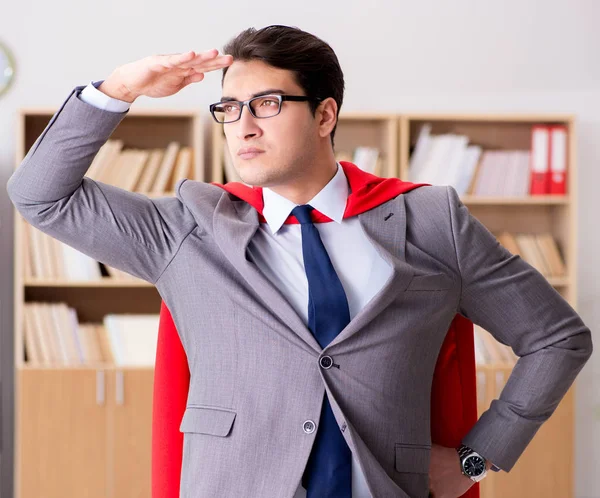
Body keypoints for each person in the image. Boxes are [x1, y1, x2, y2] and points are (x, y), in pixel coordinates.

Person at [6, 25, 593, 498]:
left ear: (324, 115)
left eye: (265, 103)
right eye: (230, 108)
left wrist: (477, 456)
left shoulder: (430, 222)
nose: (244, 126)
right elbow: (40, 195)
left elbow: (557, 337)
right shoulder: (188, 229)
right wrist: (119, 88)